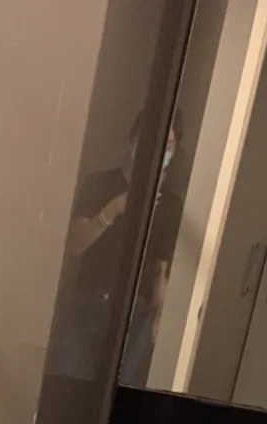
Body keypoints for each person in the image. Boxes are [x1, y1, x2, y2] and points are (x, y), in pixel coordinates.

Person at [51, 111, 183, 381]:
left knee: (113, 389)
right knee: (64, 381)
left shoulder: (169, 204)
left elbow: (161, 270)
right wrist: (113, 209)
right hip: (87, 300)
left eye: (168, 145)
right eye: (151, 139)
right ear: (133, 140)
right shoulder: (99, 184)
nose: (160, 150)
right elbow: (75, 245)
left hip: (135, 314)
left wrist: (158, 315)